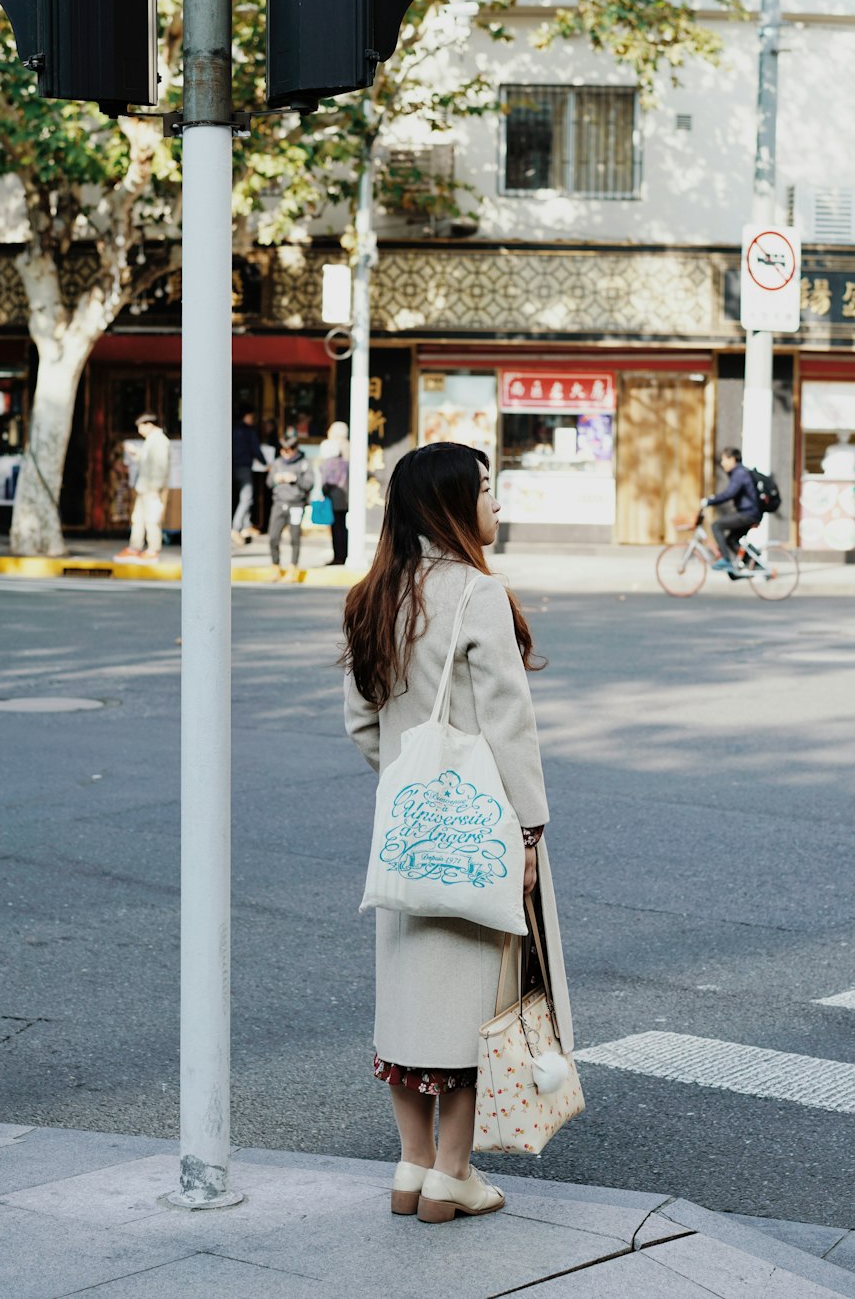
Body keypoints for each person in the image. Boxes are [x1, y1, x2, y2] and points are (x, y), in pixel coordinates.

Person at [342, 442, 573, 1224]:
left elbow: (361, 721)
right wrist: (529, 833)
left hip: (405, 831)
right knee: (476, 1006)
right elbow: (511, 725)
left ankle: (409, 1169)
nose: (495, 504)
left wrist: (411, 784)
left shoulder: (371, 594)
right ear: (449, 503)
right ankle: (453, 1173)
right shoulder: (478, 593)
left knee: (407, 1007)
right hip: (481, 832)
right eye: (484, 489)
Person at [114, 414, 170, 563]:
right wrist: (136, 454)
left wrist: (155, 488)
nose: (140, 431)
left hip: (151, 488)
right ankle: (135, 548)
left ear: (149, 424)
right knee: (138, 518)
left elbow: (160, 466)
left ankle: (153, 550)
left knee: (152, 519)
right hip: (144, 487)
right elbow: (147, 462)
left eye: (141, 426)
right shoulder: (151, 441)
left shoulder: (160, 441)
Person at [702, 446, 761, 573]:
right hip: (750, 513)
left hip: (748, 513)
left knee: (716, 525)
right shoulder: (740, 472)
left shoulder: (740, 473)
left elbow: (730, 493)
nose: (722, 463)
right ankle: (754, 563)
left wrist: (710, 501)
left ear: (733, 459)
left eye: (724, 459)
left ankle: (726, 560)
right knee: (731, 540)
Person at [267, 427, 314, 581]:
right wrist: (277, 479)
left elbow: (309, 484)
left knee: (295, 537)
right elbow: (269, 482)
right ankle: (275, 566)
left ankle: (293, 567)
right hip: (279, 503)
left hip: (296, 504)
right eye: (284, 450)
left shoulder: (304, 463)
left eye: (289, 450)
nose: (286, 453)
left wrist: (294, 479)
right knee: (273, 537)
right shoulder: (277, 463)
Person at [231, 409, 265, 545]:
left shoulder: (231, 429)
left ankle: (245, 526)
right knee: (246, 498)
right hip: (243, 466)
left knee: (239, 497)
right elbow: (255, 448)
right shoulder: (248, 432)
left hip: (231, 466)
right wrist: (265, 463)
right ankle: (237, 526)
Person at [319, 420, 350, 565]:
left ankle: (340, 555)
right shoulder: (348, 448)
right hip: (346, 495)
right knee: (341, 526)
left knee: (337, 527)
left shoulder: (335, 452)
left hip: (336, 496)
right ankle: (342, 554)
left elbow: (328, 481)